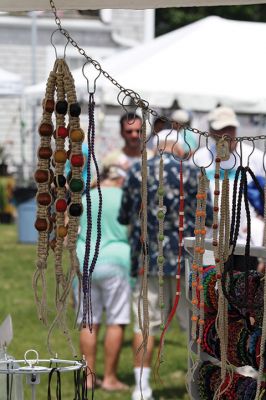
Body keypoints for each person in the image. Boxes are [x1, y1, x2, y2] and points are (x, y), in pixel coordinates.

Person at [118, 129, 212, 400]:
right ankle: (198, 383)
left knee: (144, 325)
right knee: (195, 325)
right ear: (180, 149)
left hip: (149, 261)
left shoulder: (138, 171)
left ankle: (141, 389)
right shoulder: (194, 173)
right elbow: (207, 217)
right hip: (186, 260)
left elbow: (125, 215)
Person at [75, 164, 131, 391]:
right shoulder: (125, 197)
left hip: (85, 260)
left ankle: (87, 379)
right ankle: (109, 378)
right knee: (116, 320)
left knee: (89, 321)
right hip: (116, 259)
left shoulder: (86, 198)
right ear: (120, 179)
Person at [192, 105, 265, 249]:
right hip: (210, 241)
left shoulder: (255, 157)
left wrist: (260, 220)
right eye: (221, 129)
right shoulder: (200, 157)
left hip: (247, 242)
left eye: (230, 128)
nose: (227, 134)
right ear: (211, 132)